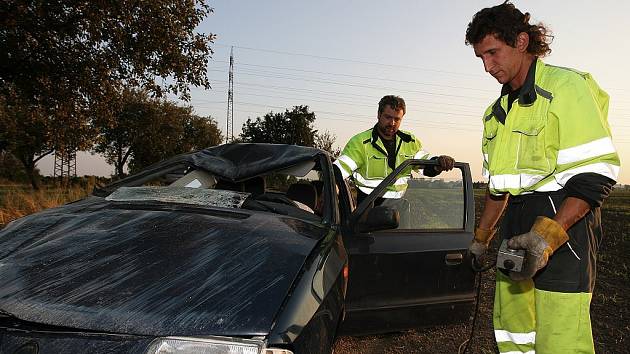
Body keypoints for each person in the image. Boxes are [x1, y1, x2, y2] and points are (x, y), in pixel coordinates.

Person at [465, 2, 620, 353]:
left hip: (564, 223)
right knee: (513, 329)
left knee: (559, 336)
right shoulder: (495, 114)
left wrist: (545, 237)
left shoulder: (567, 87)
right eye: (481, 58)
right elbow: (496, 189)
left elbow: (595, 176)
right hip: (514, 225)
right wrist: (481, 239)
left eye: (493, 53)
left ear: (521, 42)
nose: (488, 66)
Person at [334, 95, 455, 207]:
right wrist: (331, 192)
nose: (392, 123)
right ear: (379, 114)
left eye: (397, 119)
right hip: (368, 209)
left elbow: (425, 164)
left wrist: (438, 163)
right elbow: (337, 172)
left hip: (399, 210)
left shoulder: (409, 141)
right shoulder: (360, 142)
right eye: (388, 117)